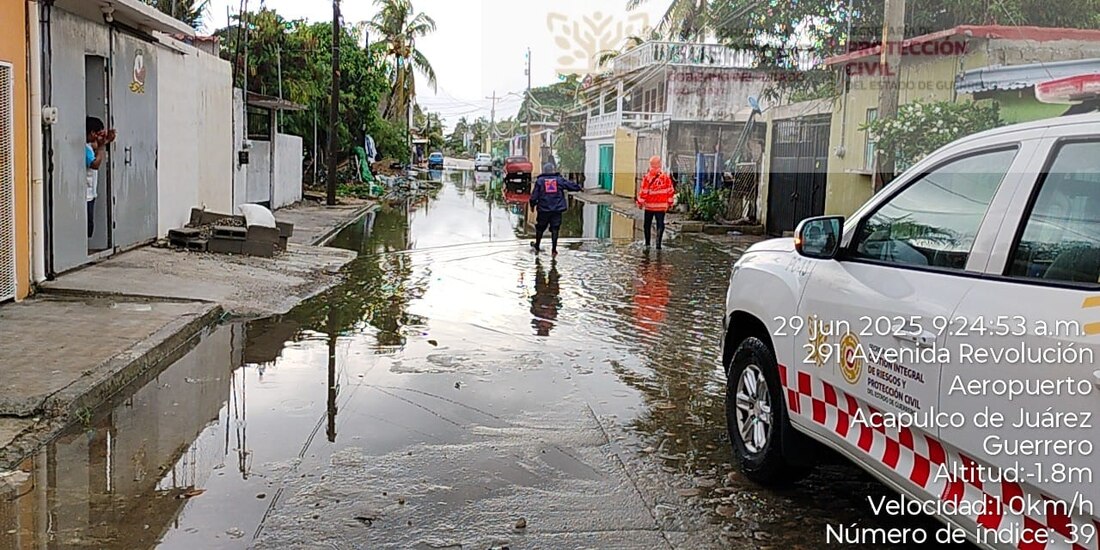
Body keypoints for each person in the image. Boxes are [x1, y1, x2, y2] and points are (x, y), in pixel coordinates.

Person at [529, 161, 581, 256]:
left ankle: (537, 245)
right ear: (553, 170)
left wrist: (532, 205)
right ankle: (554, 250)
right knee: (555, 229)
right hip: (557, 210)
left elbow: (534, 197)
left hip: (543, 210)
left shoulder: (540, 181)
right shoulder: (559, 180)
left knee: (540, 228)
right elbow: (570, 185)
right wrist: (579, 187)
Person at [637, 156, 675, 250]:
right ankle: (658, 244)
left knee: (647, 225)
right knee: (660, 224)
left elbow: (644, 192)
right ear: (659, 164)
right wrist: (670, 203)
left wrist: (640, 203)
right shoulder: (665, 177)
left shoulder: (647, 177)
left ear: (651, 164)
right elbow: (670, 191)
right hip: (661, 207)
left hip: (649, 207)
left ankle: (647, 243)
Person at [85, 117, 115, 238]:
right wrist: (102, 148)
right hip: (86, 194)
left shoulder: (89, 145)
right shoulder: (85, 149)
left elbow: (96, 145)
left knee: (90, 222)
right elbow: (95, 164)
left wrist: (106, 140)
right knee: (88, 223)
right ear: (92, 133)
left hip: (90, 193)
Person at [530, 257, 561, 336]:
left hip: (542, 293)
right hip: (551, 294)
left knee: (540, 275)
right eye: (544, 329)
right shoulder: (552, 321)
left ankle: (539, 262)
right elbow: (559, 306)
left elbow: (533, 304)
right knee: (552, 276)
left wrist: (535, 300)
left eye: (542, 328)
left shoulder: (536, 318)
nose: (543, 327)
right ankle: (552, 264)